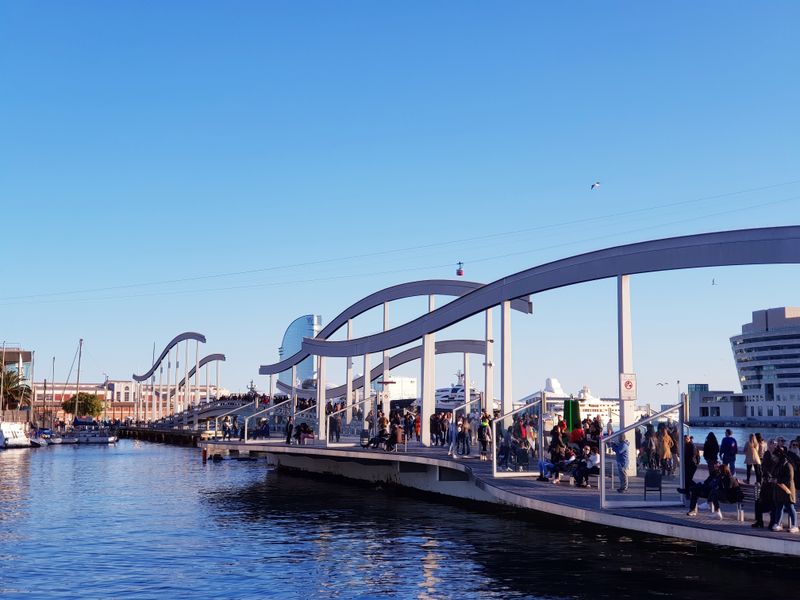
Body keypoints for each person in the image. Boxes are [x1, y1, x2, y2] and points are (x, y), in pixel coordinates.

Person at [771, 447, 798, 533]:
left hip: (787, 490)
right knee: (779, 507)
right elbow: (774, 474)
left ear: (779, 456)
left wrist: (777, 480)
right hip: (779, 489)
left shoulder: (788, 465)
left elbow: (789, 478)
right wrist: (772, 479)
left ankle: (795, 525)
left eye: (774, 457)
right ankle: (777, 524)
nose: (773, 458)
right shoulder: (777, 464)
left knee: (790, 507)